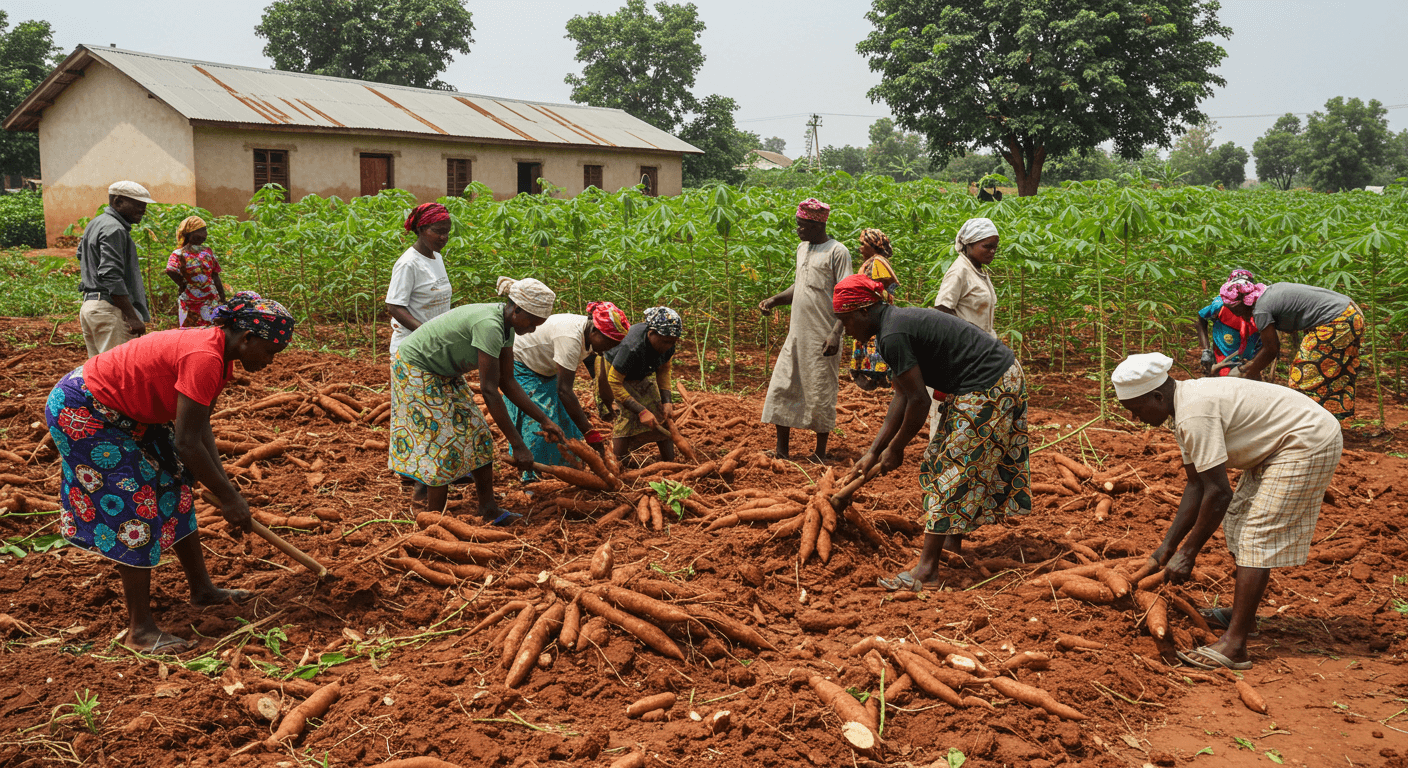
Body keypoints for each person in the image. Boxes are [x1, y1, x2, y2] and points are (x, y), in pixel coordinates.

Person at [47, 292, 295, 653]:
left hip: (126, 413)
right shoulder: (205, 356)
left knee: (174, 485)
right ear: (247, 339)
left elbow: (199, 428)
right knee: (136, 507)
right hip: (86, 412)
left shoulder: (219, 355)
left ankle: (203, 590)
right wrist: (228, 497)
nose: (271, 361)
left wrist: (224, 485)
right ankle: (140, 631)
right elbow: (187, 443)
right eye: (271, 351)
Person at [1113, 353, 1342, 670]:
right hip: (1280, 444)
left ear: (1156, 395)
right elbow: (1196, 486)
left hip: (1306, 440)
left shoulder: (1194, 414)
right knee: (1238, 521)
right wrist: (1164, 551)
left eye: (1136, 410)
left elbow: (1219, 493)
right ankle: (1241, 619)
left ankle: (1235, 646)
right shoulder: (1182, 407)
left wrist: (1189, 552)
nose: (1137, 419)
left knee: (1256, 534)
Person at [829, 275, 1030, 591]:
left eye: (845, 321)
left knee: (951, 467)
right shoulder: (890, 327)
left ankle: (927, 571)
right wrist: (873, 451)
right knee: (943, 459)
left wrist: (896, 448)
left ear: (863, 311)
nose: (845, 329)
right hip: (982, 381)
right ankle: (948, 545)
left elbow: (920, 401)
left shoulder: (892, 333)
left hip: (990, 382)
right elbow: (902, 394)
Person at [389, 277, 566, 523]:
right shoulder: (490, 326)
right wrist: (518, 445)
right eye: (534, 322)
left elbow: (508, 381)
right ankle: (433, 521)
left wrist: (544, 419)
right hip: (416, 368)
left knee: (479, 436)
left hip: (444, 372)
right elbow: (490, 390)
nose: (534, 328)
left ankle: (489, 509)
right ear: (517, 310)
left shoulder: (507, 327)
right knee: (441, 443)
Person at [759, 198, 852, 462]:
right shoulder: (802, 248)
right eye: (797, 225)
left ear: (816, 224)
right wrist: (775, 299)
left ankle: (820, 453)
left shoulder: (838, 251)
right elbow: (800, 285)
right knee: (783, 386)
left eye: (802, 226)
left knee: (820, 391)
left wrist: (836, 333)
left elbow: (847, 296)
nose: (798, 230)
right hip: (797, 335)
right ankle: (781, 451)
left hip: (824, 336)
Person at [508, 301, 630, 477]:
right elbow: (564, 391)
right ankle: (531, 476)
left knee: (566, 422)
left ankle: (571, 469)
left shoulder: (588, 333)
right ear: (595, 331)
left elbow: (594, 373)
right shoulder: (571, 338)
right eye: (609, 342)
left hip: (545, 367)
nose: (611, 348)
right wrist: (589, 432)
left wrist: (608, 402)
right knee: (539, 420)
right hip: (522, 363)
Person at [1219, 279, 1363, 421]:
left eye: (1235, 311)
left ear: (1243, 303)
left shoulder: (1261, 309)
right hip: (1351, 313)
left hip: (1336, 320)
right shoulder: (1268, 293)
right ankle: (1335, 422)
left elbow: (1271, 349)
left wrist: (1248, 376)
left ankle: (1304, 424)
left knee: (1303, 375)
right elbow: (1268, 344)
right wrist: (1253, 364)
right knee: (1337, 374)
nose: (1236, 315)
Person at [77, 181, 157, 358]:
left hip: (90, 307)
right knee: (118, 372)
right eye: (137, 204)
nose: (143, 209)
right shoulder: (115, 229)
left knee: (99, 373)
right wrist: (132, 316)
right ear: (118, 202)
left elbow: (80, 254)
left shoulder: (95, 223)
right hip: (109, 310)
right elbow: (110, 274)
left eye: (144, 205)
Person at [595, 307, 683, 463]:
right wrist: (641, 411)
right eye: (665, 341)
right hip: (615, 373)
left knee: (660, 413)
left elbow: (664, 370)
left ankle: (670, 462)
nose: (668, 346)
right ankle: (619, 463)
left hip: (641, 371)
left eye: (672, 342)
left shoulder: (668, 344)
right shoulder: (631, 347)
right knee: (627, 415)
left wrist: (667, 400)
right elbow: (614, 382)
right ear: (651, 334)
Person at [386, 203, 454, 355]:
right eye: (438, 232)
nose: (444, 238)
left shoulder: (437, 257)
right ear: (421, 229)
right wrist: (426, 332)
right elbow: (394, 306)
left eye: (447, 232)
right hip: (412, 348)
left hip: (437, 346)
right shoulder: (408, 263)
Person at [848, 229, 900, 392]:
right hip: (870, 310)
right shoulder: (874, 261)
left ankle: (876, 375)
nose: (860, 248)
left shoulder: (877, 262)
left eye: (863, 244)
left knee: (872, 342)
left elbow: (884, 286)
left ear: (873, 246)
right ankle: (874, 375)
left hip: (874, 311)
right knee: (870, 343)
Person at [1195, 269, 1262, 377]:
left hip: (1248, 358)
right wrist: (1206, 350)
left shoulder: (1259, 306)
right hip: (1223, 355)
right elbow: (1201, 319)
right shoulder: (1220, 304)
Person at [164, 216, 227, 328]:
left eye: (205, 230)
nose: (205, 234)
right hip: (190, 302)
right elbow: (170, 270)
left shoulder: (208, 251)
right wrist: (183, 283)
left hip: (211, 299)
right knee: (190, 331)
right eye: (201, 231)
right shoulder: (179, 253)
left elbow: (215, 275)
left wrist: (222, 298)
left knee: (211, 329)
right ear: (189, 233)